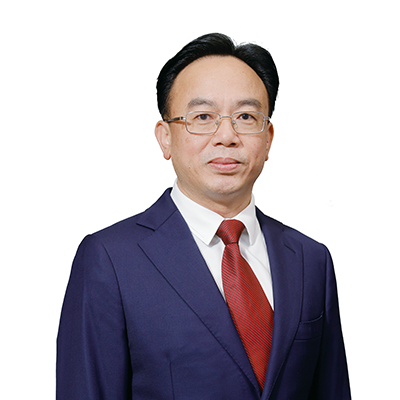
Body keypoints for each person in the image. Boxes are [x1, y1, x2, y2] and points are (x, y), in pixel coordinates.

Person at [56, 33, 351, 399]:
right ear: (165, 137)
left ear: (268, 138)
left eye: (246, 117)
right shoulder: (110, 259)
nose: (226, 135)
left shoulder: (310, 259)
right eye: (203, 117)